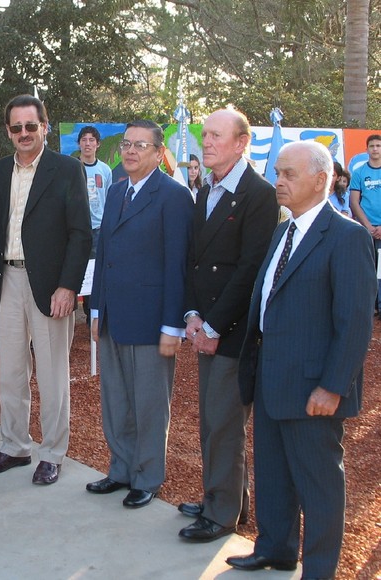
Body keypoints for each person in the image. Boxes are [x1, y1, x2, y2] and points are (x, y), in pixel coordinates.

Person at [227, 140, 376, 579]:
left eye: (289, 174)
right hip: (272, 378)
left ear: (320, 179)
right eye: (277, 172)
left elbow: (354, 324)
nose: (279, 182)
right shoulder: (282, 231)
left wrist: (332, 387)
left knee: (319, 485)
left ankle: (319, 569)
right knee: (273, 475)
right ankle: (275, 548)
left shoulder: (347, 237)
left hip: (314, 389)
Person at [0, 94, 91, 485]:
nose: (24, 133)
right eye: (16, 127)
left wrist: (68, 286)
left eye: (31, 125)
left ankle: (53, 453)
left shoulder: (67, 170)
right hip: (5, 280)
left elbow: (80, 234)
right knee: (9, 370)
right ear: (8, 131)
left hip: (49, 285)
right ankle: (14, 445)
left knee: (52, 371)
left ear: (44, 126)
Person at [178, 109, 279, 542]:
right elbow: (196, 262)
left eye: (217, 135)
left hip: (233, 332)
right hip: (207, 326)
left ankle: (220, 516)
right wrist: (193, 316)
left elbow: (250, 269)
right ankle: (227, 501)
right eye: (206, 135)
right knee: (213, 421)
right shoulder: (206, 189)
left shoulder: (258, 194)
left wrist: (215, 325)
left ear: (241, 143)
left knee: (223, 422)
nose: (207, 142)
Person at [85, 119, 193, 507]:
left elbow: (177, 265)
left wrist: (172, 326)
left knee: (148, 404)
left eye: (140, 146)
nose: (130, 151)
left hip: (151, 321)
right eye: (127, 144)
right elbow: (105, 255)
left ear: (159, 152)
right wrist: (96, 307)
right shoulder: (115, 193)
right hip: (114, 314)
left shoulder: (174, 196)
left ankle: (147, 476)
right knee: (115, 399)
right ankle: (121, 469)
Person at [76, 125, 112, 325]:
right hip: (75, 230)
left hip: (98, 230)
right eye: (84, 139)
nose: (87, 143)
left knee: (95, 274)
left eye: (91, 140)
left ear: (97, 144)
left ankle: (93, 318)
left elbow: (107, 199)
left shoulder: (105, 170)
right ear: (79, 143)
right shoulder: (72, 167)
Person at [348, 134, 381, 315]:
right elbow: (354, 202)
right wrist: (368, 226)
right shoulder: (360, 172)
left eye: (378, 146)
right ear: (366, 149)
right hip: (366, 229)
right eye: (372, 146)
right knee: (367, 268)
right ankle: (369, 306)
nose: (375, 149)